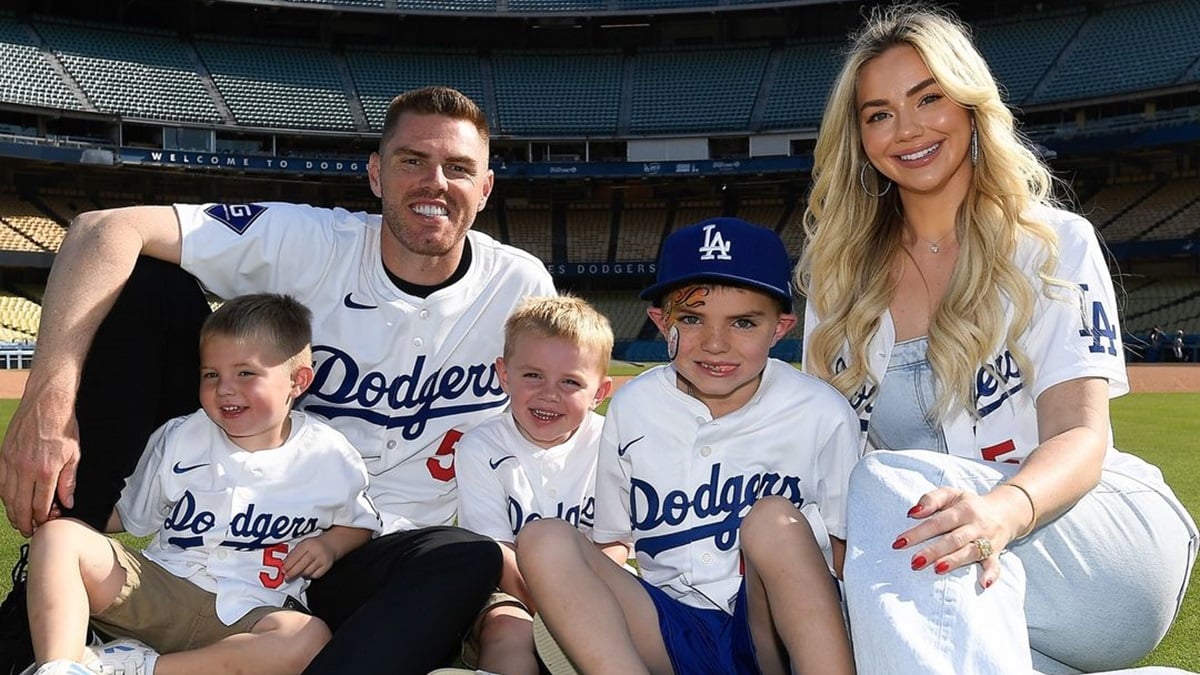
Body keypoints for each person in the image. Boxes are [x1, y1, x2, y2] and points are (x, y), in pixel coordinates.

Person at [0, 86, 557, 675]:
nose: (435, 183)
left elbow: (556, 418)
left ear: (486, 187)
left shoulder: (519, 286)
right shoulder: (313, 241)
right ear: (375, 173)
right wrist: (48, 402)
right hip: (256, 511)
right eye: (412, 160)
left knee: (464, 559)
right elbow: (101, 229)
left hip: (378, 555)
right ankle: (55, 589)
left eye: (459, 168)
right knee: (144, 285)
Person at [794, 5, 1198, 673]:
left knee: (892, 490)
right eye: (879, 113)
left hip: (1085, 541)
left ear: (971, 105)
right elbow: (822, 462)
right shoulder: (838, 284)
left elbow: (1081, 434)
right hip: (951, 572)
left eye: (930, 98)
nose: (909, 128)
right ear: (859, 136)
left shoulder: (1050, 243)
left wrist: (1000, 513)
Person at [517, 217, 860, 675]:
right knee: (543, 537)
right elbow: (612, 541)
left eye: (743, 322)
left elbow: (844, 553)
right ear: (661, 322)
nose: (715, 344)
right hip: (669, 627)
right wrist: (584, 600)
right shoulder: (634, 406)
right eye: (692, 319)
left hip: (771, 632)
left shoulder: (822, 411)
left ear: (779, 329)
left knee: (772, 521)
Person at [22, 293, 382, 675]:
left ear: (298, 380)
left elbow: (360, 523)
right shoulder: (181, 436)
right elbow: (130, 514)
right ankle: (60, 667)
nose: (224, 388)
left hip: (250, 610)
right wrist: (61, 508)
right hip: (163, 589)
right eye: (211, 374)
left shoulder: (329, 454)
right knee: (60, 539)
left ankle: (134, 668)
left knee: (308, 640)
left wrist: (329, 544)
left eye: (245, 373)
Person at [445, 295, 614, 675]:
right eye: (533, 375)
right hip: (512, 587)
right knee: (508, 629)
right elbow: (497, 550)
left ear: (599, 393)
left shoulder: (612, 444)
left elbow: (614, 541)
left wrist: (584, 605)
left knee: (627, 629)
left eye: (570, 382)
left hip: (600, 585)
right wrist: (552, 610)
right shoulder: (480, 447)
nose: (548, 394)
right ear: (504, 374)